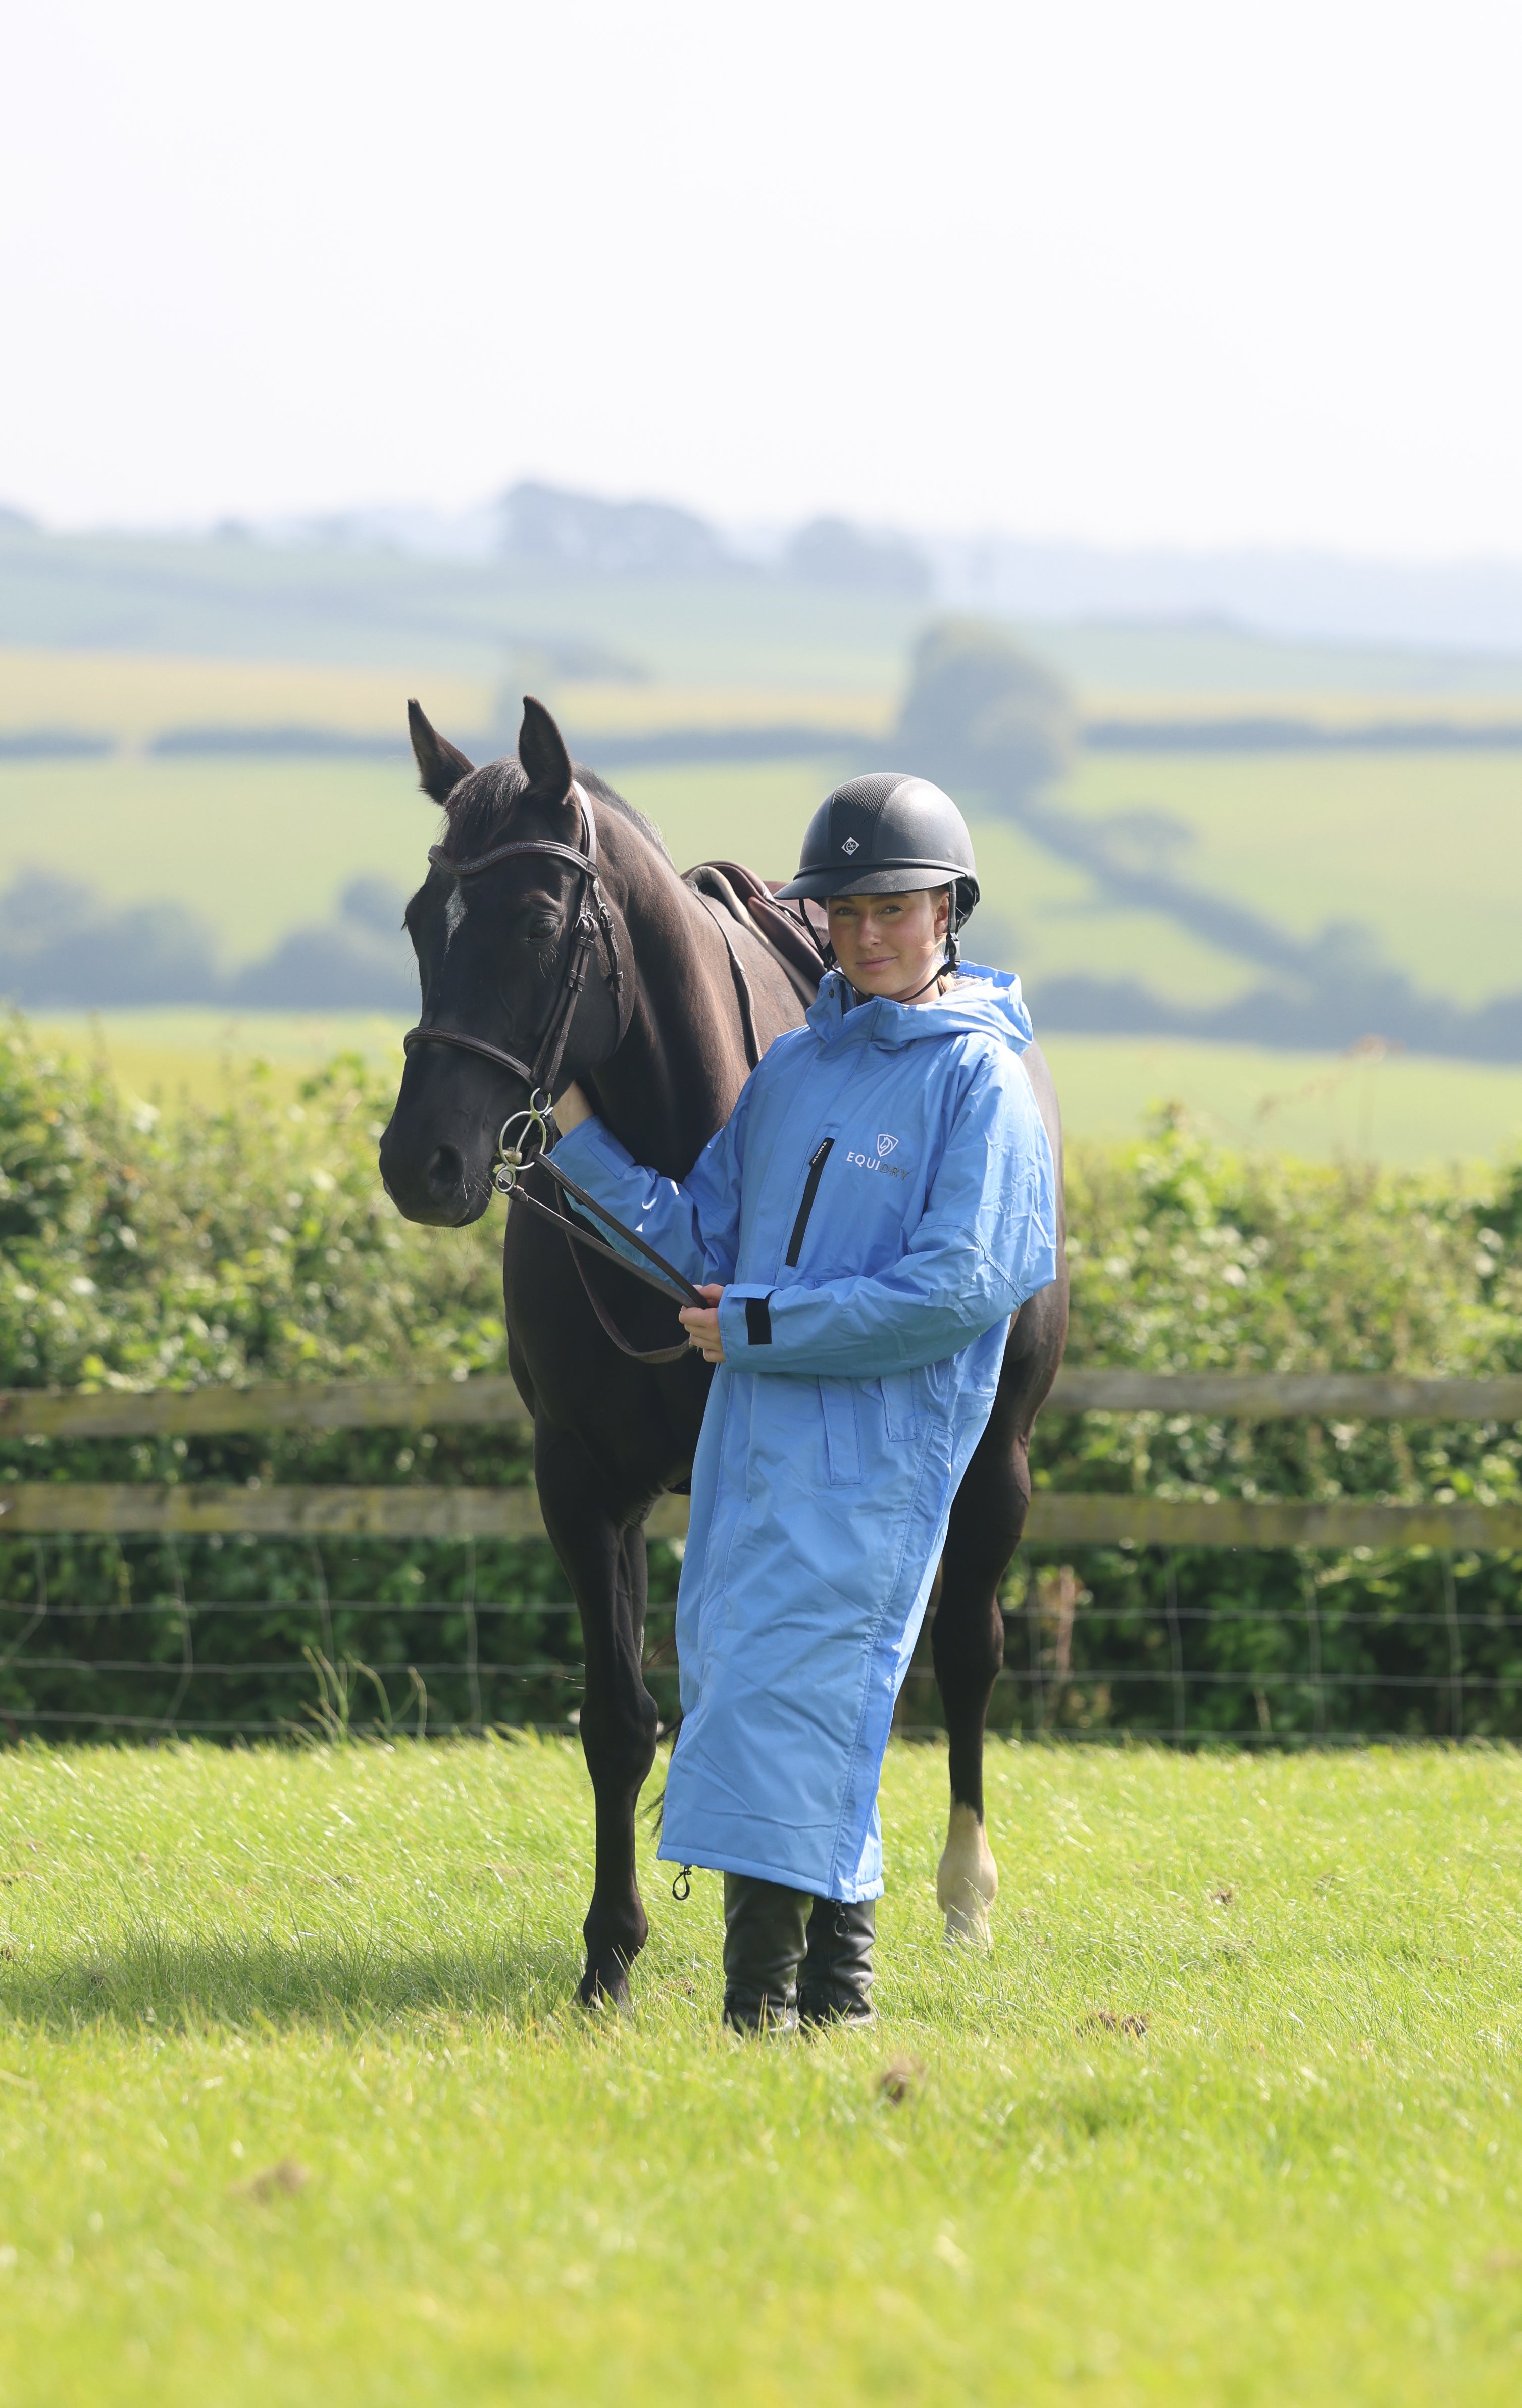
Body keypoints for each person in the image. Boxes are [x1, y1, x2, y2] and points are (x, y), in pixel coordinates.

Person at [551, 772, 1058, 2030]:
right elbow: (694, 1236)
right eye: (843, 911)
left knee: (795, 1705)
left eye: (893, 907)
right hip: (751, 1455)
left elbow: (960, 1290)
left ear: (947, 912)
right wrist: (567, 1138)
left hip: (874, 1460)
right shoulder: (791, 1072)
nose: (866, 933)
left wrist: (764, 1327)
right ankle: (833, 2006)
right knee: (758, 1699)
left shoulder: (981, 1085)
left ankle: (759, 2010)